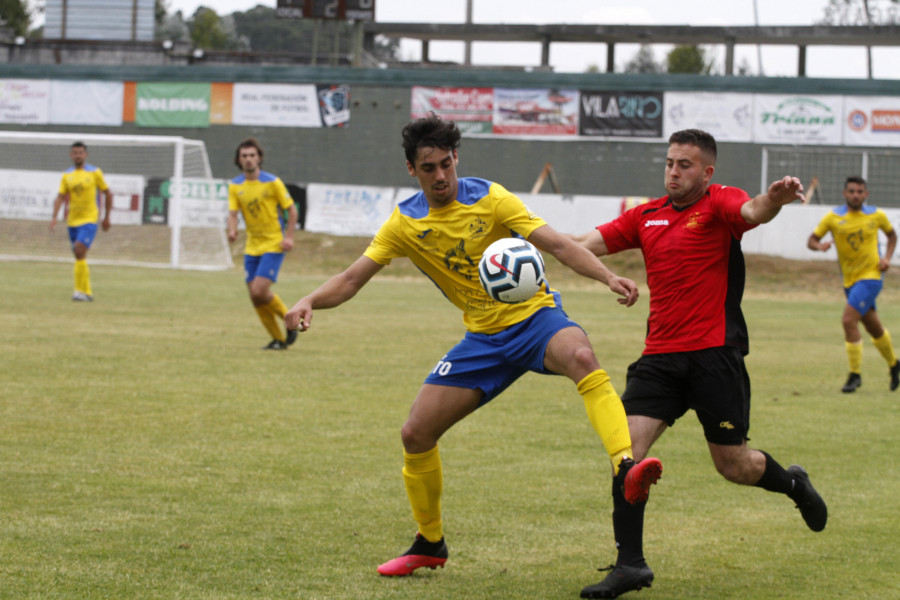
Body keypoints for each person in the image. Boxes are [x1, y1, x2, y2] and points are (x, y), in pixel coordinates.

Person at [284, 114, 663, 582]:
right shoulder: (405, 223)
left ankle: (625, 464)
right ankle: (429, 543)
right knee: (415, 434)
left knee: (583, 357)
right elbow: (350, 279)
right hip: (482, 340)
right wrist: (309, 300)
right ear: (411, 170)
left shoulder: (491, 198)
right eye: (429, 168)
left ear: (456, 158)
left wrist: (608, 275)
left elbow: (558, 246)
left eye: (446, 164)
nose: (441, 176)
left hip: (536, 321)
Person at [574, 129, 827, 599]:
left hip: (715, 358)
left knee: (733, 465)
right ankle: (630, 564)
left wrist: (773, 199)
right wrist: (528, 239)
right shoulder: (645, 216)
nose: (674, 171)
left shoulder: (719, 204)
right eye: (670, 162)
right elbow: (581, 244)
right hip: (658, 360)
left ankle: (794, 485)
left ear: (706, 171)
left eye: (684, 164)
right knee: (625, 453)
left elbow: (753, 211)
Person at [807, 175, 900, 393]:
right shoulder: (833, 218)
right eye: (852, 191)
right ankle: (895, 365)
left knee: (849, 320)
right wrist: (820, 247)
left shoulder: (876, 215)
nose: (856, 195)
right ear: (844, 193)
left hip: (871, 277)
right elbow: (811, 240)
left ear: (865, 194)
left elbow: (892, 235)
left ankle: (854, 375)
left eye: (860, 192)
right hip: (848, 280)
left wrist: (886, 258)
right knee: (873, 327)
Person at [227, 138, 299, 350]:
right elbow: (232, 213)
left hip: (274, 243)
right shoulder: (235, 185)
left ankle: (289, 320)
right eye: (244, 156)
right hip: (252, 246)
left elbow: (291, 209)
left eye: (252, 155)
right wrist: (232, 230)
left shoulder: (272, 182)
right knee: (255, 297)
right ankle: (278, 339)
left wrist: (289, 237)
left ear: (259, 158)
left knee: (259, 290)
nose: (248, 159)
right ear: (239, 160)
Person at [49, 141, 113, 302]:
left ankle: (79, 291)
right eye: (75, 152)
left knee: (79, 250)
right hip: (72, 221)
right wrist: (54, 218)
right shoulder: (67, 175)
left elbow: (108, 193)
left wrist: (106, 217)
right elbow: (61, 197)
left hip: (90, 219)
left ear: (86, 155)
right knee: (79, 256)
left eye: (80, 152)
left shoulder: (95, 172)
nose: (78, 155)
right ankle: (85, 292)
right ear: (71, 155)